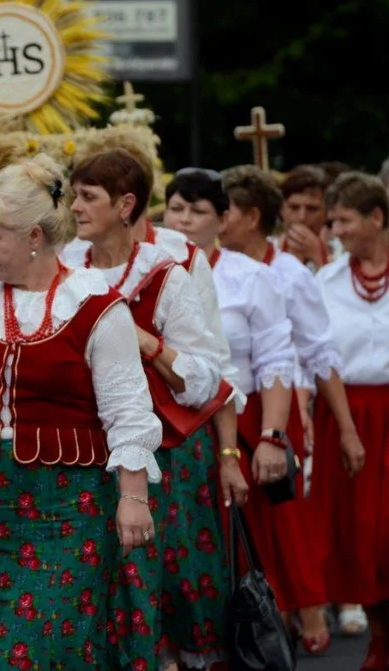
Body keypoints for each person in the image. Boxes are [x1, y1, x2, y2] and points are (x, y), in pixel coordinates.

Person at [0, 155, 159, 670]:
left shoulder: (96, 305)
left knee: (46, 648)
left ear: (33, 235)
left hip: (67, 509)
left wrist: (133, 497)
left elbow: (128, 410)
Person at [62, 149, 228, 671]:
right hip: (87, 450)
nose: (75, 206)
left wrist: (141, 341)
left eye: (88, 196)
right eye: (74, 194)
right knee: (103, 581)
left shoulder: (166, 274)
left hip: (164, 453)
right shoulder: (65, 269)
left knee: (172, 578)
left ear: (126, 204)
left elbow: (205, 378)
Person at [219, 165, 366, 651]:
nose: (219, 219)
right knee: (238, 522)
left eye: (227, 210)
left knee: (284, 516)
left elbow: (319, 351)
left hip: (272, 404)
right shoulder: (208, 267)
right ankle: (264, 613)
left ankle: (308, 610)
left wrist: (345, 427)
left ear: (253, 216)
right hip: (225, 408)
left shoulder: (286, 273)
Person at [315, 173, 389, 671]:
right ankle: (380, 634)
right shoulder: (324, 281)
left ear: (377, 219)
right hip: (346, 410)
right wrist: (345, 426)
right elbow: (323, 357)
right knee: (361, 530)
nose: (335, 230)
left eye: (344, 220)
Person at [277, 165, 337, 270]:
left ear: (328, 212)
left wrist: (319, 257)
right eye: (294, 207)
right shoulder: (267, 251)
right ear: (282, 210)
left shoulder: (344, 253)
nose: (302, 217)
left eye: (312, 209)